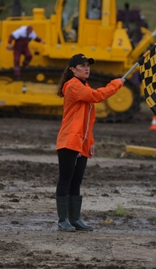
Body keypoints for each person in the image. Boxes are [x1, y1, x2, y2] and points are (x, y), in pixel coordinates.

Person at [55, 53, 125, 232]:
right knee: (65, 180)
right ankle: (63, 220)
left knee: (76, 182)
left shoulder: (83, 86)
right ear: (72, 69)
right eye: (82, 65)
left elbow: (88, 120)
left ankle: (75, 218)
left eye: (88, 65)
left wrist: (90, 141)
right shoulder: (73, 86)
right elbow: (97, 96)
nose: (87, 68)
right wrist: (116, 84)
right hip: (69, 139)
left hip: (82, 142)